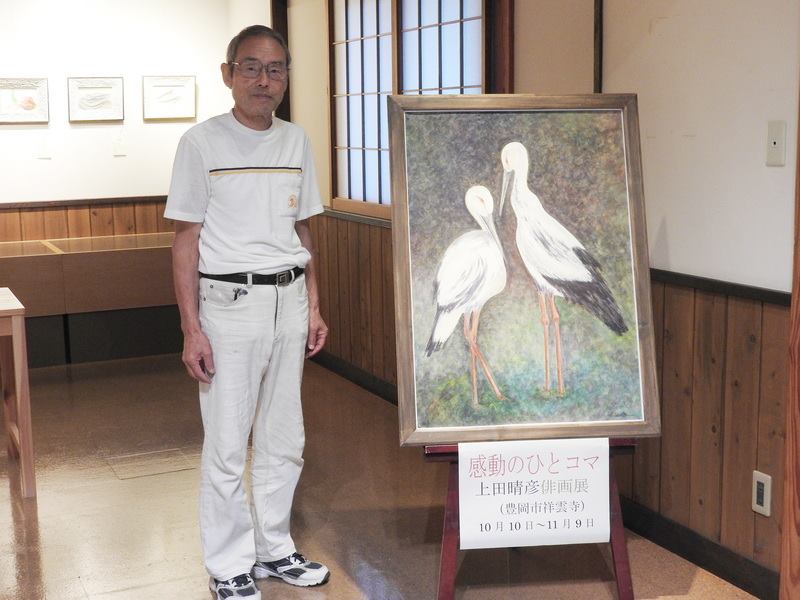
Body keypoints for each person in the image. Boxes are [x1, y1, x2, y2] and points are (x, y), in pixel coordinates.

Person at [165, 24, 330, 600]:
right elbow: (185, 241)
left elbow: (303, 230)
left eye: (275, 69)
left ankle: (274, 548)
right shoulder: (201, 144)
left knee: (285, 436)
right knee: (228, 442)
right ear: (228, 74)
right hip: (228, 306)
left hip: (289, 301)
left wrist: (314, 305)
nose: (264, 80)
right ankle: (228, 564)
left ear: (286, 77)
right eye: (252, 67)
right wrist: (191, 329)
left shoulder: (296, 141)